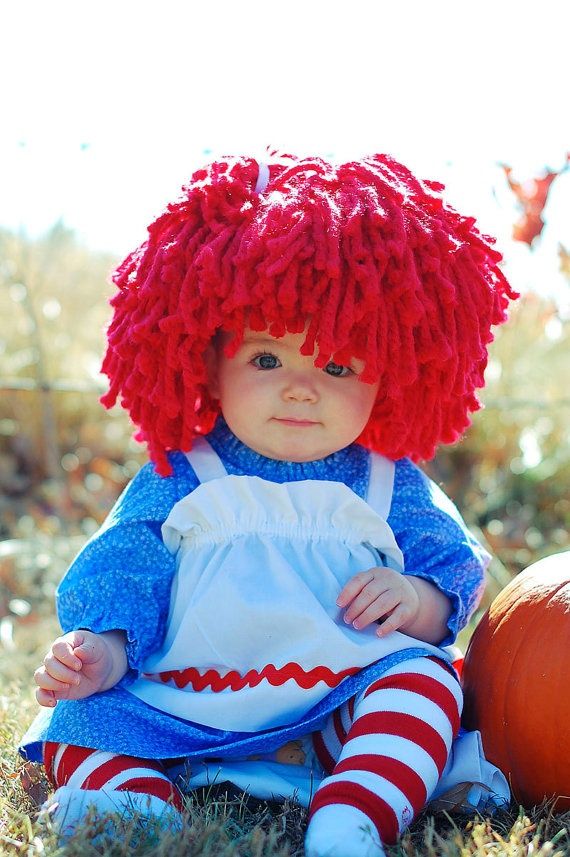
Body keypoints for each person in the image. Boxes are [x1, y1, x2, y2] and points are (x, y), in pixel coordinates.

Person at [20, 153, 516, 857]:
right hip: (179, 704)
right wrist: (100, 648)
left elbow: (450, 573)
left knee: (425, 683)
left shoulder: (386, 479)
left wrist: (416, 597)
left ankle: (351, 815)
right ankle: (133, 800)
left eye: (337, 366)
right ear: (211, 356)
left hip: (333, 704)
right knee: (85, 713)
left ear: (390, 372)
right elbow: (125, 565)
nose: (301, 388)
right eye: (266, 359)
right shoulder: (184, 471)